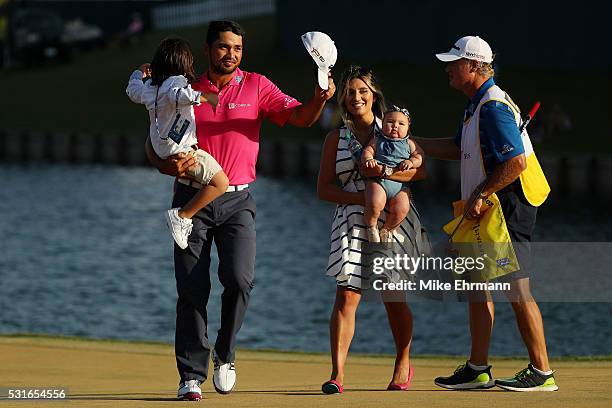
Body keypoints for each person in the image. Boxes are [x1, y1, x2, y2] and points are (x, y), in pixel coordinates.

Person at [144, 20, 335, 401]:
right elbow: (153, 138)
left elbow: (301, 117)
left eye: (237, 48)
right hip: (190, 200)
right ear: (208, 49)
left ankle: (225, 354)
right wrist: (163, 165)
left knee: (240, 279)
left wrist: (320, 98)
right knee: (191, 290)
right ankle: (191, 376)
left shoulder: (258, 86)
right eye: (223, 47)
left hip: (237, 200)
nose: (230, 54)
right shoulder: (186, 88)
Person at [413, 35, 557, 391]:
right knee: (477, 287)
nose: (448, 68)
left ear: (475, 66)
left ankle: (542, 373)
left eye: (455, 62)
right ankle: (478, 368)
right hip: (491, 206)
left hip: (507, 207)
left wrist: (481, 191)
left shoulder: (491, 106)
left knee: (517, 288)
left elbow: (516, 162)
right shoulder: (477, 104)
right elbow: (458, 146)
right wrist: (415, 144)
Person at [317, 65, 430, 394]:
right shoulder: (335, 138)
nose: (356, 97)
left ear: (374, 95)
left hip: (393, 219)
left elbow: (420, 173)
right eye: (350, 92)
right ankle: (337, 374)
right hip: (352, 221)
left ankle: (403, 362)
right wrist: (360, 199)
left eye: (362, 91)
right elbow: (323, 189)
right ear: (343, 98)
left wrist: (384, 177)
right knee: (346, 296)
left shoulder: (395, 128)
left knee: (392, 296)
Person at [126, 37, 229, 250]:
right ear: (184, 64)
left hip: (160, 149)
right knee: (221, 183)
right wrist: (208, 98)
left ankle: (187, 211)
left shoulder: (150, 88)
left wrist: (138, 73)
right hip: (182, 151)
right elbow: (180, 95)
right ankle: (182, 216)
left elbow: (132, 91)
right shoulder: (177, 83)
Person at [362, 105, 423, 242]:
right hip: (380, 181)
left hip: (401, 186)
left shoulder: (410, 144)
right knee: (375, 203)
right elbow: (367, 151)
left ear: (408, 127)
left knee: (402, 208)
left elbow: (420, 157)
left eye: (401, 124)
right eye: (390, 122)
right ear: (382, 124)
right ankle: (371, 226)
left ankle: (387, 229)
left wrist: (412, 162)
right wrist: (369, 159)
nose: (395, 126)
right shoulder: (377, 140)